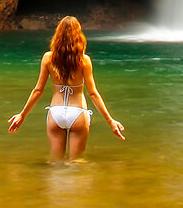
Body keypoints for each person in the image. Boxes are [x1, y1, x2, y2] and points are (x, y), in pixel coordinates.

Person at [8, 15, 125, 160]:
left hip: (55, 113)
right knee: (76, 164)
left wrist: (22, 115)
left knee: (56, 163)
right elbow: (93, 94)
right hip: (78, 113)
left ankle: (56, 182)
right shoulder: (84, 60)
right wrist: (110, 121)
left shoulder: (48, 58)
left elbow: (38, 90)